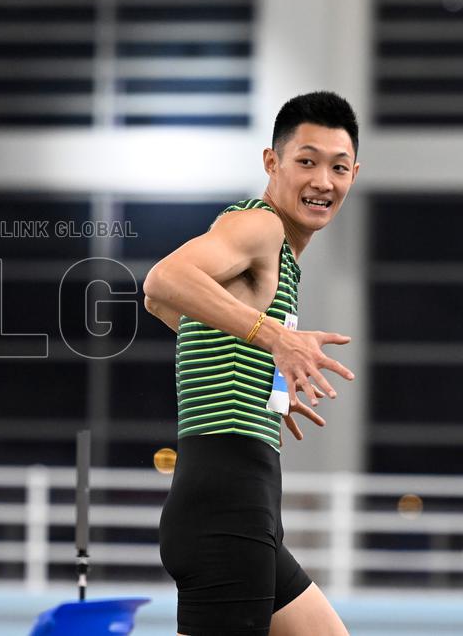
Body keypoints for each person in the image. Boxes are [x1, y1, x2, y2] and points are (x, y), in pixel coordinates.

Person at [143, 91, 359, 636]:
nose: (323, 181)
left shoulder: (283, 255)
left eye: (338, 167)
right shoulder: (260, 227)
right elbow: (163, 281)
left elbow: (166, 309)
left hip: (240, 501)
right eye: (306, 161)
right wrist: (273, 338)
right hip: (225, 504)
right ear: (272, 163)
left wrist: (259, 370)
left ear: (354, 173)